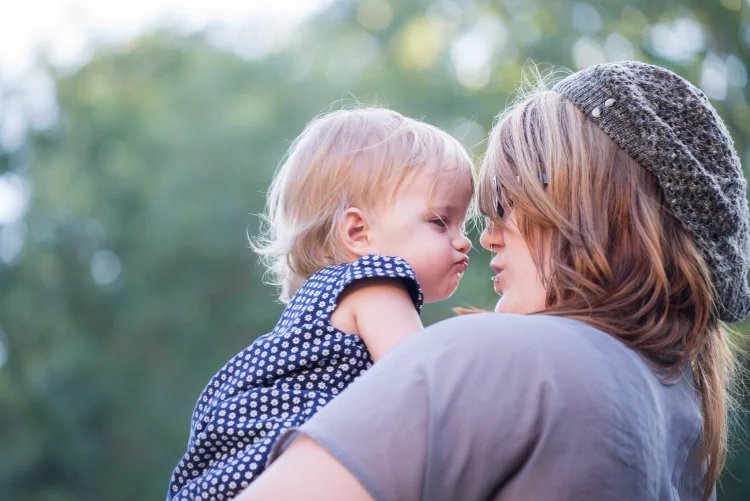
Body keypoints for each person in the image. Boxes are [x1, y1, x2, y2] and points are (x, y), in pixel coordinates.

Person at [237, 61, 750, 501]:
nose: (487, 239)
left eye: (508, 205)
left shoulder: (508, 358)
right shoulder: (681, 415)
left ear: (588, 207)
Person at [166, 107, 475, 500]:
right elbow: (424, 382)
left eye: (463, 223)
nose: (463, 240)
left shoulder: (320, 297)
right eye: (440, 222)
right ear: (358, 232)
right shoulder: (375, 284)